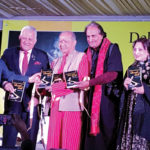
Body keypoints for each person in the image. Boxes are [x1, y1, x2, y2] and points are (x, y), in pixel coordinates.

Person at [75, 22, 123, 150]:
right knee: (89, 136)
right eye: (88, 36)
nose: (91, 39)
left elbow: (113, 74)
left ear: (102, 35)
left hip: (107, 101)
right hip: (89, 99)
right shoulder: (87, 52)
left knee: (106, 133)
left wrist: (89, 83)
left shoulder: (112, 48)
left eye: (94, 36)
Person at [1, 25, 50, 149]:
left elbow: (47, 81)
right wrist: (4, 84)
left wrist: (38, 98)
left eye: (30, 39)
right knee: (8, 141)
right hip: (12, 106)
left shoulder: (42, 56)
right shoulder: (8, 53)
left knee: (29, 142)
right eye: (24, 38)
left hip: (32, 106)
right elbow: (1, 75)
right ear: (19, 37)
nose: (27, 41)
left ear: (35, 41)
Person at [46, 31, 89, 150]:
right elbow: (50, 82)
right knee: (53, 143)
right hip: (55, 107)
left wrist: (54, 88)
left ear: (74, 43)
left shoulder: (82, 57)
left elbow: (79, 80)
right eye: (60, 41)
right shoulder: (55, 61)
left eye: (66, 41)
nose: (62, 44)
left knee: (70, 143)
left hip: (72, 107)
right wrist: (42, 84)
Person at [116, 38, 150, 150]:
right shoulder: (131, 68)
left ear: (148, 51)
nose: (136, 52)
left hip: (145, 115)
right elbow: (123, 93)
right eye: (135, 49)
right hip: (130, 114)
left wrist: (145, 89)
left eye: (140, 49)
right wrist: (125, 86)